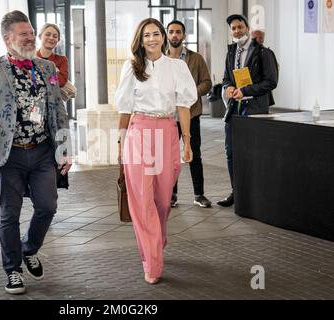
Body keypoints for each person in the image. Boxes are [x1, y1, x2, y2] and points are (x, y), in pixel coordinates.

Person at [0, 10, 72, 295]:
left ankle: (29, 248)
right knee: (9, 215)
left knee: (47, 207)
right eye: (23, 34)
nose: (30, 38)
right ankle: (13, 270)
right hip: (9, 154)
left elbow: (58, 111)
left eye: (31, 33)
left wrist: (64, 148)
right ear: (7, 38)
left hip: (42, 151)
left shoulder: (47, 68)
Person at [116, 18, 197, 285]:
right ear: (140, 40)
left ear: (163, 37)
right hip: (139, 132)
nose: (151, 39)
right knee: (142, 199)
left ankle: (157, 238)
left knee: (162, 200)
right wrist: (121, 142)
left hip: (166, 133)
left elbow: (184, 106)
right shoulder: (132, 67)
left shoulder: (178, 67)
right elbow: (125, 109)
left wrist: (187, 142)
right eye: (146, 35)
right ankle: (152, 260)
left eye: (155, 34)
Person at [217, 14, 278, 207]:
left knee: (255, 153)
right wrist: (228, 87)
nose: (236, 31)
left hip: (255, 110)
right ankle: (237, 192)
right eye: (233, 28)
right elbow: (226, 77)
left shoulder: (263, 53)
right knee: (231, 152)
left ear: (247, 27)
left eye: (240, 27)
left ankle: (257, 195)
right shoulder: (231, 52)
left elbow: (271, 82)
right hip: (234, 109)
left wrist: (245, 91)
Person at [166, 20, 213, 208]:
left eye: (178, 32)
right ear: (167, 35)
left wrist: (191, 92)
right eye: (171, 32)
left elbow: (207, 82)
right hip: (169, 116)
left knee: (195, 154)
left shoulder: (196, 58)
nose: (175, 35)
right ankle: (171, 194)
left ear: (184, 36)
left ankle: (199, 194)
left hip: (191, 114)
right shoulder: (162, 59)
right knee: (170, 157)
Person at [36, 23, 69, 89]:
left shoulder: (62, 60)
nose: (51, 38)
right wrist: (54, 70)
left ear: (58, 40)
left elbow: (61, 82)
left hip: (53, 98)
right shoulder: (30, 58)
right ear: (40, 36)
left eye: (55, 36)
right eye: (48, 34)